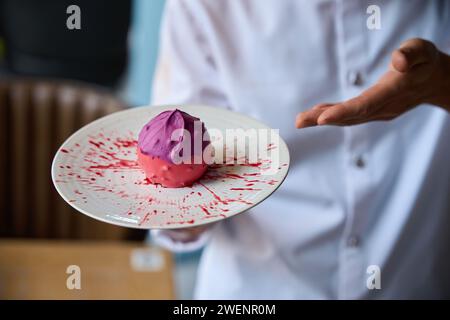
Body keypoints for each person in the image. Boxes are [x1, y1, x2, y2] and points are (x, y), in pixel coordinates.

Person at [151, 0, 450, 299]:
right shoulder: (204, 7)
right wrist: (182, 201)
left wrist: (444, 86)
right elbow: (175, 204)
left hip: (415, 285)